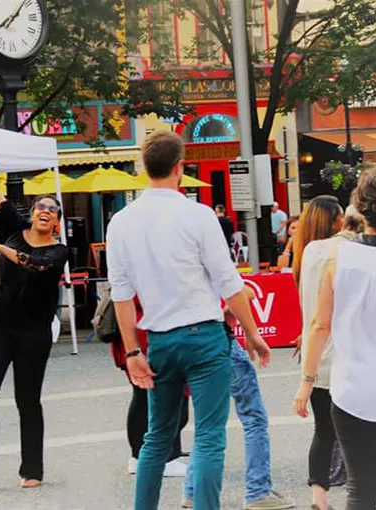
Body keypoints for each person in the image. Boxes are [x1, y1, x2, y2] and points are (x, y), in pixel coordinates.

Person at [106, 131, 271, 510]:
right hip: (204, 336)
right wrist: (252, 332)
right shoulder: (198, 216)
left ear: (144, 167)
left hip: (159, 339)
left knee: (156, 437)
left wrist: (132, 351)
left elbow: (121, 295)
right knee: (209, 436)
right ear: (180, 167)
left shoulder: (121, 222)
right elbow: (229, 283)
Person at [294, 165, 376, 509]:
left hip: (351, 391)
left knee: (360, 491)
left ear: (359, 208)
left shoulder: (338, 259)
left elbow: (320, 325)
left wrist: (307, 381)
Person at [0, 125, 69, 492]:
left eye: (52, 210)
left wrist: (0, 249)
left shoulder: (58, 251)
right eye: (41, 206)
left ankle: (32, 469)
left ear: (56, 222)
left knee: (27, 399)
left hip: (33, 331)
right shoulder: (13, 226)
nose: (46, 211)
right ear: (33, 211)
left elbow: (35, 265)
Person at [183, 285, 294, 510]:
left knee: (206, 425)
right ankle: (258, 491)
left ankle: (193, 491)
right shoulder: (209, 269)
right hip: (221, 340)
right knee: (254, 418)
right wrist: (250, 331)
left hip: (189, 344)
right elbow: (243, 293)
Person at [291, 196, 345, 510]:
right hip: (341, 353)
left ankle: (318, 498)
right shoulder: (343, 249)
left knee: (323, 430)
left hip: (315, 353)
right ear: (335, 220)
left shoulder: (307, 253)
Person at [110, 298, 189, 478]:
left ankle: (139, 456)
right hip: (150, 333)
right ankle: (166, 457)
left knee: (143, 398)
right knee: (169, 397)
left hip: (135, 335)